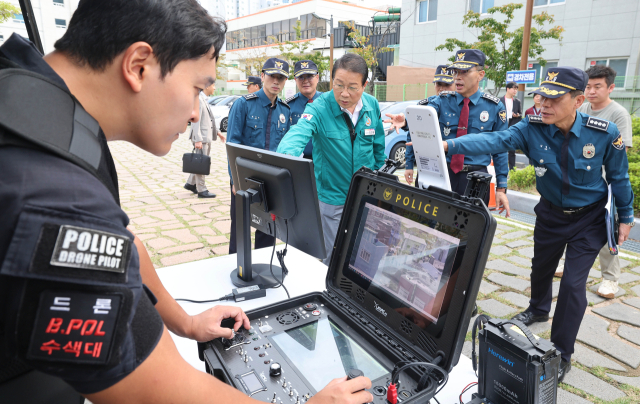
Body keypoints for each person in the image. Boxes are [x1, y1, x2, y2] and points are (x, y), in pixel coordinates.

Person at [0, 1, 372, 403]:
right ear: (139, 65)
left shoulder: (36, 103)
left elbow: (126, 242)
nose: (197, 113)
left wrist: (186, 322)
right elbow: (155, 388)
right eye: (197, 88)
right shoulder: (54, 192)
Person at [441, 66, 635, 383]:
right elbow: (494, 139)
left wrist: (625, 217)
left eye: (553, 100)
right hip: (549, 214)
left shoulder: (604, 133)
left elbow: (619, 178)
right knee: (540, 267)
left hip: (590, 219)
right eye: (541, 98)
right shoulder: (531, 128)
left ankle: (561, 352)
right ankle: (538, 308)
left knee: (573, 285)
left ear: (577, 99)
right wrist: (449, 145)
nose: (543, 105)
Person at [277, 54, 386, 265]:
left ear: (364, 85)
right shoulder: (319, 107)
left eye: (353, 87)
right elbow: (296, 136)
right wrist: (287, 160)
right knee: (330, 260)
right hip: (332, 200)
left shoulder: (372, 105)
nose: (344, 94)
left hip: (366, 197)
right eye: (338, 85)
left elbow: (379, 149)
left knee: (360, 257)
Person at [385, 49, 510, 213]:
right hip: (443, 173)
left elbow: (500, 149)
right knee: (434, 224)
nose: (458, 77)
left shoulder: (494, 107)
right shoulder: (442, 101)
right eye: (456, 72)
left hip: (475, 178)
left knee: (469, 229)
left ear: (480, 75)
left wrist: (501, 188)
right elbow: (425, 116)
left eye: (464, 72)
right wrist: (407, 122)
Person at [557, 64, 634, 299]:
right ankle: (564, 263)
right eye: (588, 86)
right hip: (576, 181)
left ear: (610, 87)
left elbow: (622, 152)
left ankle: (610, 279)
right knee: (565, 225)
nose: (591, 91)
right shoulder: (581, 107)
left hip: (602, 185)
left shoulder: (618, 114)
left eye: (597, 86)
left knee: (604, 231)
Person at [227, 58, 291, 255]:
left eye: (281, 78)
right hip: (245, 178)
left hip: (271, 181)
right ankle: (237, 269)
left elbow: (285, 148)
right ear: (263, 76)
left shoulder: (284, 110)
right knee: (240, 228)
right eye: (272, 76)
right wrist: (234, 180)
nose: (276, 82)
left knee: (268, 229)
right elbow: (232, 144)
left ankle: (263, 266)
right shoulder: (243, 105)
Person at [404, 64, 454, 187]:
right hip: (427, 166)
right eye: (439, 84)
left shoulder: (460, 108)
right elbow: (412, 136)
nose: (442, 89)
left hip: (451, 168)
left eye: (446, 85)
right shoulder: (424, 106)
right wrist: (409, 165)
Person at [184, 82, 226, 198]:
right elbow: (195, 120)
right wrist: (197, 139)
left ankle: (190, 183)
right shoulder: (198, 100)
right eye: (213, 85)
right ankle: (202, 190)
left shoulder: (203, 99)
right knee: (201, 163)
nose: (215, 88)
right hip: (201, 138)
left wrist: (218, 133)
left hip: (204, 136)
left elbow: (210, 119)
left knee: (199, 161)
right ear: (207, 86)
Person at [286, 60, 323, 159]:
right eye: (301, 77)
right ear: (295, 80)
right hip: (298, 160)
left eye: (309, 76)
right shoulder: (288, 106)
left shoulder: (326, 103)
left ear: (317, 78)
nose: (305, 81)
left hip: (324, 160)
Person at [500, 82, 522, 171]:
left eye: (516, 89)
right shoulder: (500, 100)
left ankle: (512, 169)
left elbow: (520, 114)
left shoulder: (517, 102)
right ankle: (501, 168)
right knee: (500, 149)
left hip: (512, 126)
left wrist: (517, 115)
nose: (515, 91)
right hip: (502, 126)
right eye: (513, 88)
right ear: (507, 89)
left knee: (512, 150)